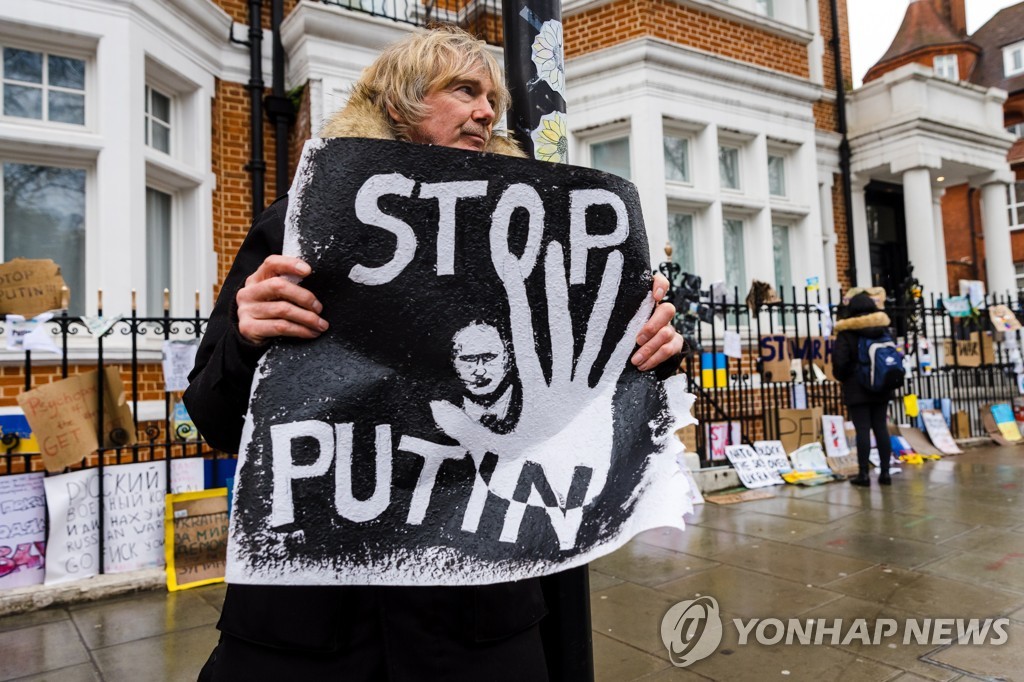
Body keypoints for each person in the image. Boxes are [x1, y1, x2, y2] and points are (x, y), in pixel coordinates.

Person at [185, 26, 683, 681]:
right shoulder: (304, 224)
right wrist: (247, 339)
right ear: (398, 103)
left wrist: (652, 355)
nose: (485, 112)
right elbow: (215, 418)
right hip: (318, 624)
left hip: (478, 621)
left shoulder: (533, 244)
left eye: (492, 102)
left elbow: (588, 393)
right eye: (464, 91)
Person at [831, 291, 895, 486]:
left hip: (857, 388)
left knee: (863, 430)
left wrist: (846, 376)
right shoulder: (883, 329)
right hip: (882, 385)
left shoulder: (847, 332)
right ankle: (885, 473)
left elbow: (840, 363)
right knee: (881, 428)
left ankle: (864, 475)